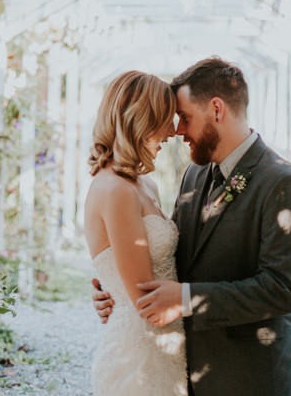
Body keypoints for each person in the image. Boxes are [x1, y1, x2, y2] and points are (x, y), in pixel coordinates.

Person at [93, 57, 291, 395]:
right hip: (189, 374)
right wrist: (115, 289)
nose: (177, 130)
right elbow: (176, 256)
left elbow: (282, 290)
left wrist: (185, 299)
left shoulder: (282, 182)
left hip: (255, 379)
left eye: (184, 117)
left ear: (216, 109)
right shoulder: (194, 174)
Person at [84, 70, 188, 395]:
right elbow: (148, 302)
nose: (172, 132)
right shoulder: (115, 191)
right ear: (139, 121)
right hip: (140, 358)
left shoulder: (144, 185)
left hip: (169, 348)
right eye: (164, 119)